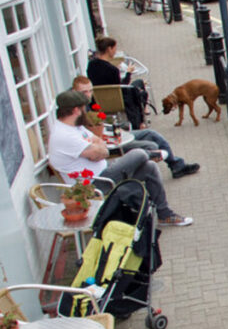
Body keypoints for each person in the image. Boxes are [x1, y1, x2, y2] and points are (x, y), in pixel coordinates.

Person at [48, 90, 193, 227]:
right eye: (83, 108)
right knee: (139, 154)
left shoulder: (75, 127)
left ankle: (164, 214)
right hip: (95, 185)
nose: (86, 111)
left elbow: (99, 143)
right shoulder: (64, 135)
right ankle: (153, 154)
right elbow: (101, 152)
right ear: (75, 110)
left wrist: (98, 149)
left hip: (104, 173)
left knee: (150, 167)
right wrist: (98, 150)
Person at [73, 76, 200, 179]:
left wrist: (114, 129)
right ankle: (145, 178)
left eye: (90, 91)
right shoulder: (75, 112)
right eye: (84, 92)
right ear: (74, 92)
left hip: (112, 135)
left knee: (152, 134)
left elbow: (101, 122)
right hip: (107, 145)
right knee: (152, 147)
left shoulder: (88, 103)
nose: (88, 95)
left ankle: (176, 165)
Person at [87, 36, 149, 129]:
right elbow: (122, 86)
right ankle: (141, 120)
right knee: (139, 86)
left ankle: (144, 111)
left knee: (138, 85)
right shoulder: (112, 70)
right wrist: (128, 72)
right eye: (115, 49)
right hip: (117, 101)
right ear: (109, 49)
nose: (115, 52)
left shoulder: (91, 65)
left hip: (99, 101)